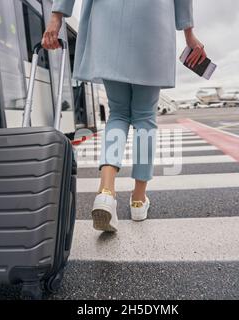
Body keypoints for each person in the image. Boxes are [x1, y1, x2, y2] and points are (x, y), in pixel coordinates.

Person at [42, 0, 206, 232]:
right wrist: (189, 32)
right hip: (152, 18)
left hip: (107, 21)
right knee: (144, 118)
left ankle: (106, 193)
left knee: (117, 114)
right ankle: (138, 200)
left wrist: (57, 16)